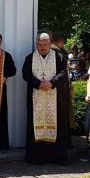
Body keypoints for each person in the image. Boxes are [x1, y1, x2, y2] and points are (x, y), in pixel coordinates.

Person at [22, 33, 69, 165]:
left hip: (55, 98)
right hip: (35, 97)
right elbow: (25, 74)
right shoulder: (30, 58)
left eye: (45, 44)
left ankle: (57, 157)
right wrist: (38, 84)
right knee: (34, 125)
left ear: (50, 44)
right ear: (36, 44)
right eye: (40, 44)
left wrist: (52, 83)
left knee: (57, 124)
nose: (42, 47)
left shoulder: (59, 57)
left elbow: (64, 73)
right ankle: (36, 157)